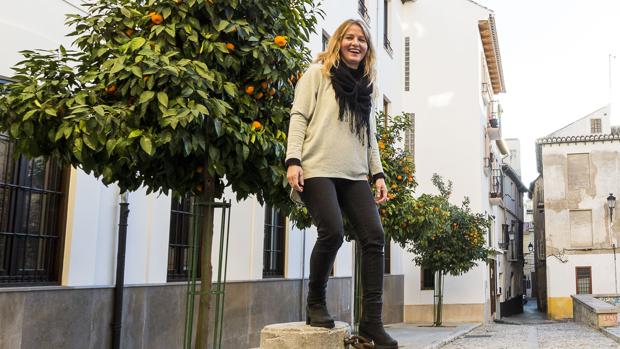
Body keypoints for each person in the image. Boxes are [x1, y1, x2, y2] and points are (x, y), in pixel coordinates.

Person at [285, 19, 397, 349]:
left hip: (354, 173)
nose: (355, 43)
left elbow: (369, 136)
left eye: (361, 39)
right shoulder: (317, 74)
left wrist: (377, 174)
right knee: (332, 230)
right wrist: (294, 160)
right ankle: (315, 302)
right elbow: (299, 116)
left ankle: (372, 323)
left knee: (374, 236)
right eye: (349, 37)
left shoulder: (367, 86)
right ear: (338, 41)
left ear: (367, 48)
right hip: (318, 168)